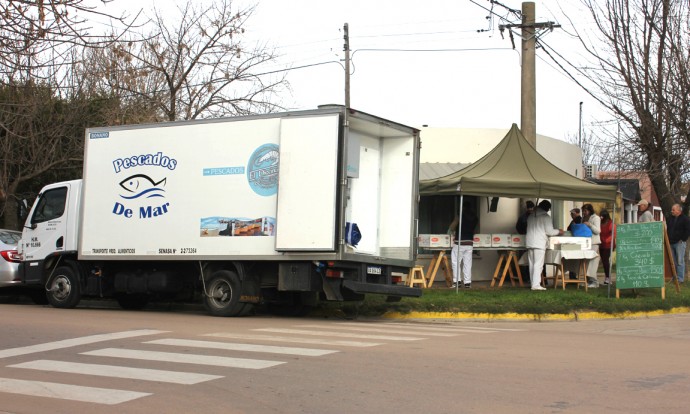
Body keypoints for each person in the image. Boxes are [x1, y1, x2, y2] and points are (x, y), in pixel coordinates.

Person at [526, 200, 564, 291]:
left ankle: (533, 283)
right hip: (539, 243)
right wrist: (559, 231)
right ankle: (536, 285)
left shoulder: (531, 216)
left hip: (530, 242)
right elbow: (549, 231)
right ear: (547, 209)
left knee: (531, 264)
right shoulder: (546, 217)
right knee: (538, 264)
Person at [449, 205, 478, 289]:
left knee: (456, 262)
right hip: (469, 242)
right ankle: (467, 283)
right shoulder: (475, 218)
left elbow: (452, 226)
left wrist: (451, 230)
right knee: (467, 263)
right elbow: (475, 230)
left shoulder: (460, 216)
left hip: (459, 242)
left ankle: (457, 282)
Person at [666, 203, 690, 283]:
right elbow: (668, 229)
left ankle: (680, 279)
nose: (671, 211)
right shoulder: (670, 219)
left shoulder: (685, 219)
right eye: (672, 209)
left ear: (679, 210)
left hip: (679, 243)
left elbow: (687, 230)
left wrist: (683, 239)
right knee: (673, 261)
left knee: (680, 261)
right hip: (671, 242)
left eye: (673, 210)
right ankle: (674, 277)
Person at [581, 203, 601, 288]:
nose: (584, 212)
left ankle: (594, 281)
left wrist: (590, 225)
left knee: (593, 262)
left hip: (594, 242)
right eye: (583, 211)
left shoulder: (596, 218)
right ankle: (588, 280)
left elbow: (597, 231)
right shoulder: (583, 218)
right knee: (586, 262)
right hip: (585, 242)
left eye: (585, 211)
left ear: (590, 210)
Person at [599, 209, 614, 285]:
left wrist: (606, 240)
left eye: (602, 216)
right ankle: (606, 277)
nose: (601, 218)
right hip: (601, 244)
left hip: (608, 245)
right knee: (604, 261)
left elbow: (613, 234)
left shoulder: (611, 223)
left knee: (605, 261)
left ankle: (608, 277)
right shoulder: (600, 223)